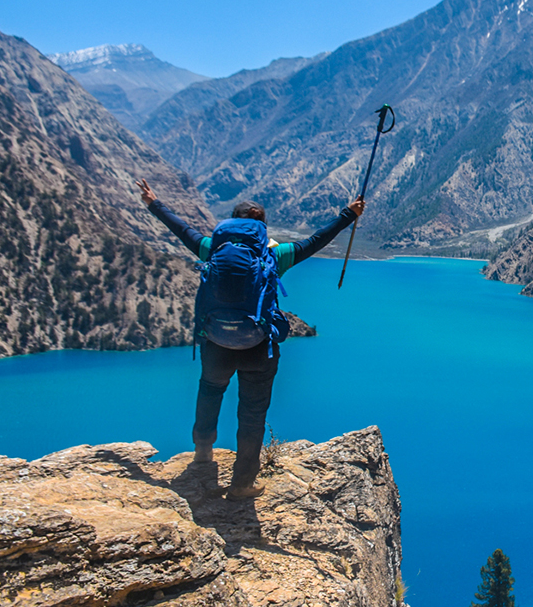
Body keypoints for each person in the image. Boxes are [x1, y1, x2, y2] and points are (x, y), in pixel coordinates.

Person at [135, 179, 365, 498]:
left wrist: (153, 203)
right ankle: (242, 484)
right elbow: (316, 241)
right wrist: (347, 215)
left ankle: (203, 454)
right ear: (262, 227)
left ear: (232, 221)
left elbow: (182, 229)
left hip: (216, 342)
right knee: (252, 413)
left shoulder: (212, 248)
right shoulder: (276, 255)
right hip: (259, 346)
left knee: (210, 391)